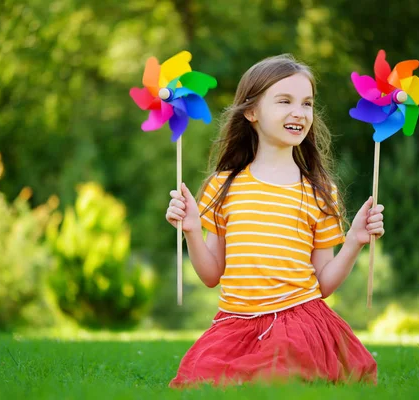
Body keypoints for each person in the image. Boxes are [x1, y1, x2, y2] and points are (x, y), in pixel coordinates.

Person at [165, 54, 384, 388]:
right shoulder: (222, 186)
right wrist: (193, 229)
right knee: (203, 381)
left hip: (298, 321)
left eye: (307, 103)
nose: (299, 112)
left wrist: (353, 241)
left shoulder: (319, 191)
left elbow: (323, 285)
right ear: (251, 112)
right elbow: (211, 275)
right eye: (284, 101)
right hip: (234, 324)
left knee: (278, 376)